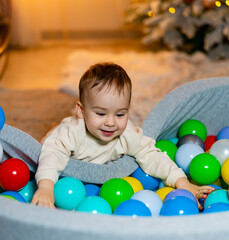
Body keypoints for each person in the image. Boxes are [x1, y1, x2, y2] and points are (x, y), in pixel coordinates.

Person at [31, 62, 213, 209]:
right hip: (65, 151)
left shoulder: (127, 134)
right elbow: (52, 154)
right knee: (50, 142)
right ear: (81, 110)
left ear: (128, 111)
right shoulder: (73, 133)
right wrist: (46, 187)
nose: (110, 122)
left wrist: (183, 183)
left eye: (120, 114)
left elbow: (152, 155)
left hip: (102, 182)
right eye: (101, 114)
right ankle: (54, 127)